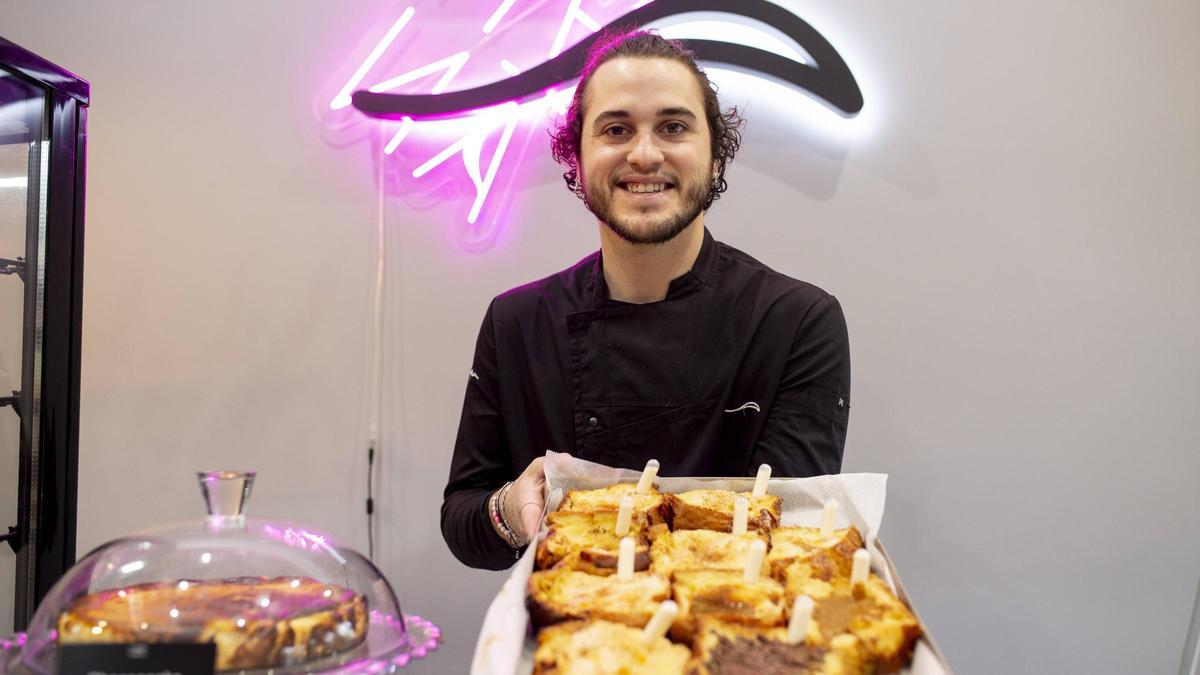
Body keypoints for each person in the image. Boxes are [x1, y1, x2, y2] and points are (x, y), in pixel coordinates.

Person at [441, 31, 850, 570]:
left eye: (673, 127)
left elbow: (788, 532)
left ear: (716, 156)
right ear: (577, 158)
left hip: (729, 626)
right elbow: (464, 519)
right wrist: (511, 513)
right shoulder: (517, 322)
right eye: (615, 129)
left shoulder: (795, 322)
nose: (644, 153)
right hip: (570, 634)